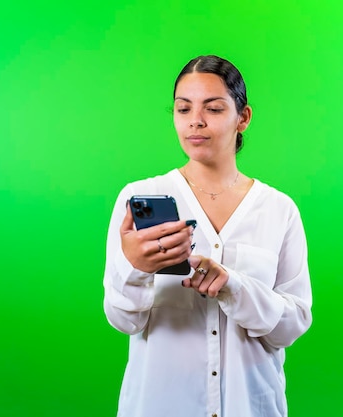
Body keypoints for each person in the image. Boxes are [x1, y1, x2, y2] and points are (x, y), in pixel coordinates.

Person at [102, 55, 312, 417]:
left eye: (213, 109)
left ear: (242, 118)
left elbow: (290, 326)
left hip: (252, 406)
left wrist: (234, 286)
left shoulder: (279, 209)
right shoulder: (137, 199)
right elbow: (124, 321)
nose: (195, 121)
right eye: (183, 109)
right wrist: (135, 269)